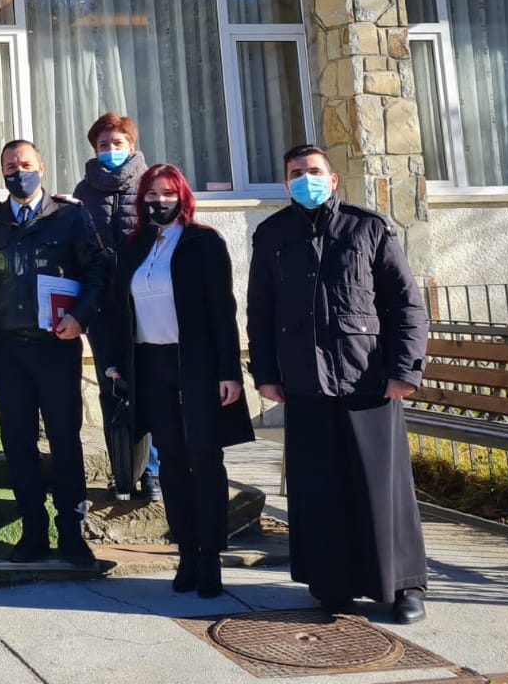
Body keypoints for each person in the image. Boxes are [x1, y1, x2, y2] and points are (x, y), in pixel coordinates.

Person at [247, 144, 430, 625]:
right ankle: (333, 585)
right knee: (320, 490)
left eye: (313, 171)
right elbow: (260, 310)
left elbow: (406, 304)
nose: (304, 179)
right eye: (295, 173)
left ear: (332, 179)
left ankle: (403, 586)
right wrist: (265, 374)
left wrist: (404, 371)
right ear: (286, 184)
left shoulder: (367, 228)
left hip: (368, 380)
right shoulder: (272, 235)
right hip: (304, 384)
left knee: (381, 489)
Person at [98, 164, 253, 599]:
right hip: (152, 366)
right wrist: (115, 361)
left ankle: (211, 558)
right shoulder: (134, 247)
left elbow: (223, 311)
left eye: (167, 193)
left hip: (199, 366)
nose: (158, 201)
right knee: (172, 463)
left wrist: (230, 371)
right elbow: (116, 310)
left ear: (181, 196)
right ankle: (186, 551)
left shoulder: (203, 242)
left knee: (205, 459)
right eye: (151, 194)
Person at [0, 139, 109, 573]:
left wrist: (81, 318)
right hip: (8, 350)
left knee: (65, 442)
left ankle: (72, 533)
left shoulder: (69, 217)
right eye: (10, 166)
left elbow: (97, 270)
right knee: (17, 444)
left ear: (42, 167)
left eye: (25, 164)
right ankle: (33, 530)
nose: (18, 172)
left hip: (56, 347)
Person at [72, 112, 159, 500]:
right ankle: (122, 469)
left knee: (148, 385)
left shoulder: (150, 186)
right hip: (103, 307)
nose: (110, 151)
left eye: (117, 144)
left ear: (132, 147)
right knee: (114, 387)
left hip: (146, 305)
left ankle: (152, 472)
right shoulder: (83, 191)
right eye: (103, 145)